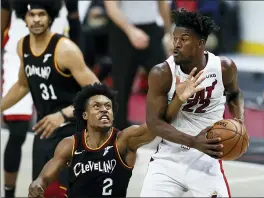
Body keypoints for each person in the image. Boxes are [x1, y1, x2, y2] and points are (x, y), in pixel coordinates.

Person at [28, 71, 209, 198]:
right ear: (84, 115)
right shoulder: (70, 144)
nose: (104, 110)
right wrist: (37, 184)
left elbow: (157, 126)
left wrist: (178, 99)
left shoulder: (124, 141)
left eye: (108, 107)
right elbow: (44, 178)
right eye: (97, 107)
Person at [141, 9, 245, 197]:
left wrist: (239, 121)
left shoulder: (223, 68)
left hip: (206, 158)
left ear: (200, 43)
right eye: (175, 38)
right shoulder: (162, 73)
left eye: (184, 39)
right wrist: (179, 100)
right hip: (168, 158)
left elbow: (235, 95)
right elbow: (155, 123)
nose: (176, 44)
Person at [0, 0, 99, 197]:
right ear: (24, 19)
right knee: (38, 191)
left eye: (41, 15)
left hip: (72, 130)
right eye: (32, 15)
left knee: (64, 192)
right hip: (44, 131)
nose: (36, 19)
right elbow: (22, 84)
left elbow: (98, 93)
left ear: (51, 17)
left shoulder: (65, 50)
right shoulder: (23, 46)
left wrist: (62, 115)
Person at [104, 1, 172, 129]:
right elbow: (111, 8)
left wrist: (170, 32)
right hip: (122, 30)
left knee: (164, 81)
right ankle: (118, 130)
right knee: (122, 84)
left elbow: (162, 3)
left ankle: (164, 127)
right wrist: (130, 31)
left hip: (152, 28)